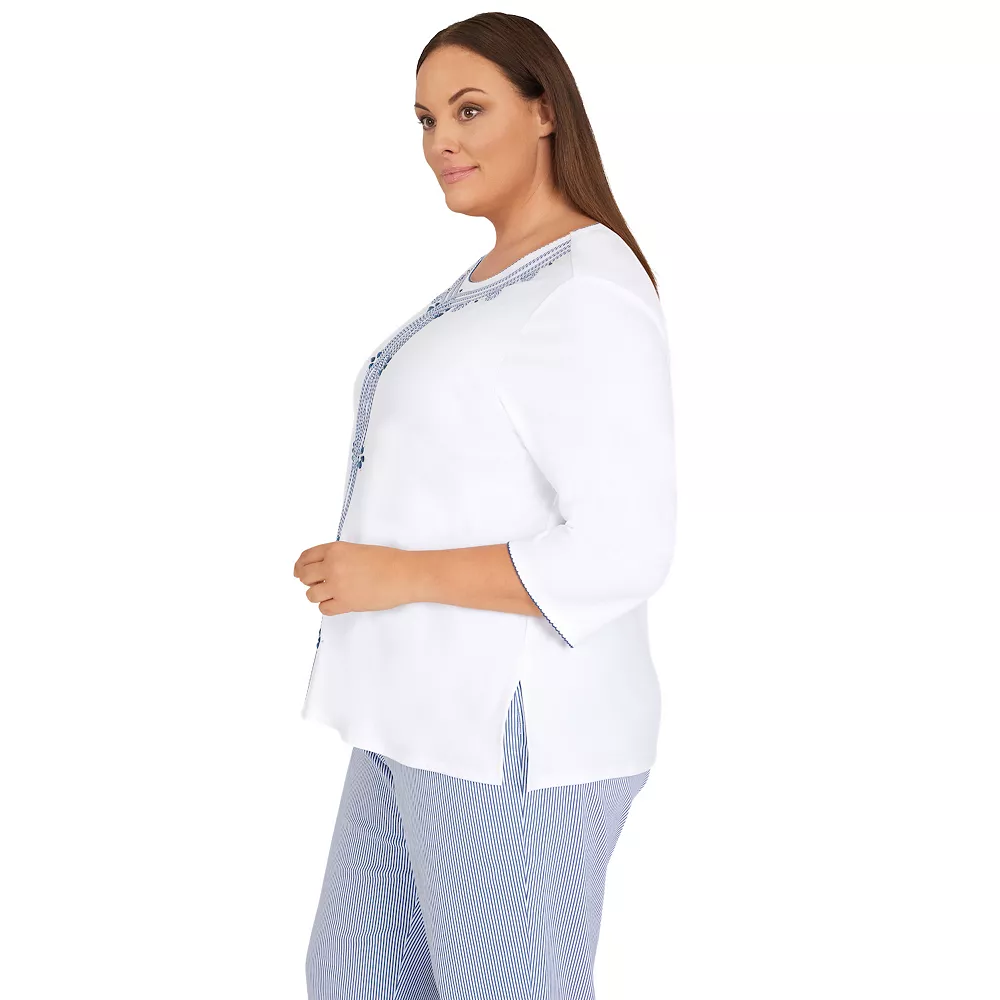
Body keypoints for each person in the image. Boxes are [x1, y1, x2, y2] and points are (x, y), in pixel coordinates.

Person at [293, 13, 677, 999]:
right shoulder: (497, 281)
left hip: (514, 731)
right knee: (351, 979)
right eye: (426, 119)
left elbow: (624, 547)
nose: (441, 142)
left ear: (544, 111)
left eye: (470, 110)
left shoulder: (585, 290)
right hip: (410, 715)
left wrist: (393, 574)